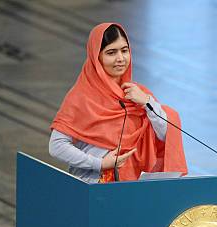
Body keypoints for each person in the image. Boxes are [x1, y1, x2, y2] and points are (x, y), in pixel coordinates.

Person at [49, 22, 187, 182]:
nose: (120, 59)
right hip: (94, 187)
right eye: (111, 53)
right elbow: (57, 145)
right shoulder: (81, 97)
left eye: (124, 51)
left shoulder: (139, 95)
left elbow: (166, 137)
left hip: (134, 188)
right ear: (96, 57)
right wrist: (99, 163)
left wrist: (147, 103)